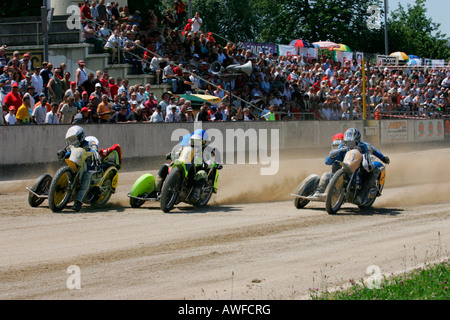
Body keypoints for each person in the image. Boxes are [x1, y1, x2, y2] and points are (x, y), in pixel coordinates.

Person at [329, 128, 390, 206]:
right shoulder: (343, 145)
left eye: (352, 143)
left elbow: (374, 150)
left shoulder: (365, 146)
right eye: (347, 142)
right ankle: (333, 190)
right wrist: (332, 157)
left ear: (357, 140)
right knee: (334, 165)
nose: (349, 144)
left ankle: (361, 195)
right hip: (346, 165)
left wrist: (383, 158)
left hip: (360, 168)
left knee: (376, 170)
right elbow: (329, 159)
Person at [57, 126, 100, 212]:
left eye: (74, 139)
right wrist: (62, 153)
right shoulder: (72, 146)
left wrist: (95, 151)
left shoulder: (89, 143)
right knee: (62, 172)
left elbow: (94, 146)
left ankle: (78, 201)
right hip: (73, 165)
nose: (73, 141)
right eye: (71, 139)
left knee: (87, 176)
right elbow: (66, 152)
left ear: (81, 136)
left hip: (87, 168)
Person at [311, 133, 344, 200]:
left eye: (338, 146)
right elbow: (327, 162)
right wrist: (332, 157)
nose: (337, 148)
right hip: (335, 176)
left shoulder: (347, 153)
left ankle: (337, 192)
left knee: (336, 166)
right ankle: (319, 191)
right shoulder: (335, 154)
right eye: (335, 146)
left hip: (346, 177)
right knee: (326, 175)